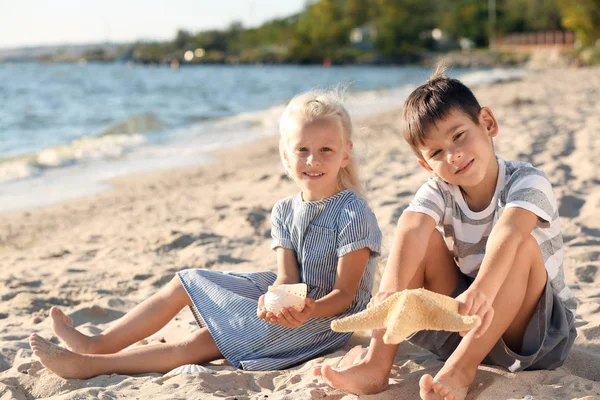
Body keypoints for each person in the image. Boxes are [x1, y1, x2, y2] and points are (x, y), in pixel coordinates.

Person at [28, 90, 382, 379]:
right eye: (302, 149)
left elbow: (345, 295)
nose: (312, 160)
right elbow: (287, 276)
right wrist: (273, 300)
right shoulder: (285, 210)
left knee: (205, 340)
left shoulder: (353, 212)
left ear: (345, 153)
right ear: (286, 156)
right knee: (186, 281)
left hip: (325, 319)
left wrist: (306, 311)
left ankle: (92, 366)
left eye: (326, 150)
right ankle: (97, 343)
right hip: (297, 304)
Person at [315, 66, 577, 399]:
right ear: (426, 164)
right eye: (437, 153)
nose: (453, 156)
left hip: (535, 333)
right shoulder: (439, 189)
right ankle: (376, 366)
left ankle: (460, 372)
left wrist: (481, 290)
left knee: (522, 245)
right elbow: (412, 228)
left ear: (487, 123)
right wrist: (391, 292)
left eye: (459, 136)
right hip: (469, 323)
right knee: (423, 241)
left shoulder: (527, 181)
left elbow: (509, 232)